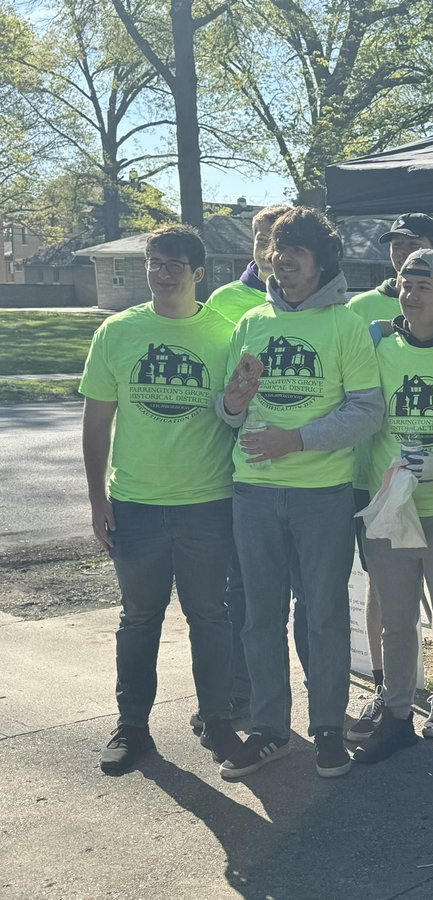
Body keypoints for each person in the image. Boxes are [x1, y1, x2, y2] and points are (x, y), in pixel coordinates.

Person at [216, 207, 383, 780]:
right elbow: (230, 411)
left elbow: (367, 410)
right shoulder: (251, 322)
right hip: (254, 493)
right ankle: (268, 730)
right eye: (277, 251)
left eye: (296, 254)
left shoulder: (344, 326)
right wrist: (234, 403)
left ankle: (329, 730)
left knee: (325, 616)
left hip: (322, 495)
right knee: (259, 617)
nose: (282, 262)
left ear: (321, 264)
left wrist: (299, 439)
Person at [81, 224, 244, 774]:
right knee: (139, 618)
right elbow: (97, 419)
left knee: (210, 616)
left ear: (200, 272)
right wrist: (96, 498)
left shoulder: (227, 334)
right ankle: (132, 728)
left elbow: (237, 414)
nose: (162, 271)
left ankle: (218, 723)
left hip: (207, 502)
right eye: (155, 261)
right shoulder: (118, 332)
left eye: (175, 263)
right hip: (136, 503)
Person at [352, 249, 433, 770]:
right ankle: (399, 718)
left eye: (425, 284)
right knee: (397, 620)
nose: (411, 292)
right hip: (391, 508)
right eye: (405, 283)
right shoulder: (381, 347)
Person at [192, 203, 296, 740]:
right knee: (242, 592)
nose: (268, 247)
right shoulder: (228, 302)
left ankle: (283, 696)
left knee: (293, 598)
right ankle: (238, 688)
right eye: (261, 236)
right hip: (238, 468)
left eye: (277, 238)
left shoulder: (312, 296)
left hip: (301, 472)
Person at [344, 213, 433, 744]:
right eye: (395, 245)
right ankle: (389, 692)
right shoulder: (362, 309)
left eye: (413, 244)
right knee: (386, 594)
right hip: (373, 479)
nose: (401, 253)